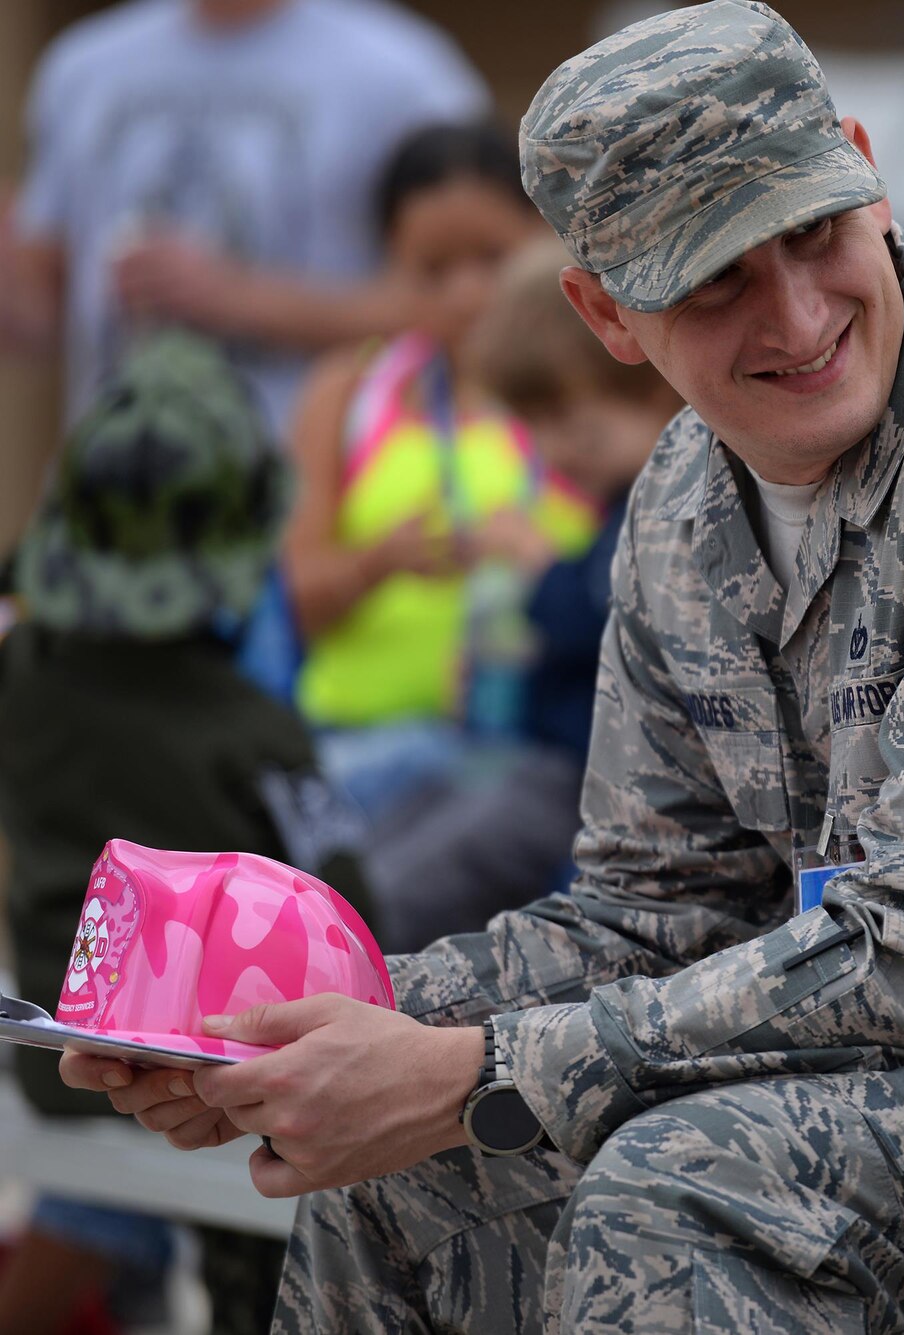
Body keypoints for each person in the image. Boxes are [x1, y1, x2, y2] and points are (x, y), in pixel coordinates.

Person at [60, 5, 904, 1332]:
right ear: (603, 313)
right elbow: (650, 912)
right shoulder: (683, 494)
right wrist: (333, 1027)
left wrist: (471, 1066)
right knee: (395, 1165)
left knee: (679, 1184)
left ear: (865, 168)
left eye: (813, 232)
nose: (797, 315)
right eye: (713, 276)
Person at [0, 331, 374, 1335]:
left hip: (63, 1046)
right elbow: (353, 915)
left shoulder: (23, 670)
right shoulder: (253, 733)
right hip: (215, 1079)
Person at [361, 238, 686, 952]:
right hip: (535, 762)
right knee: (392, 826)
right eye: (534, 428)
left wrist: (539, 573)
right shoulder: (614, 506)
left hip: (587, 787)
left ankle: (334, 957)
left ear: (659, 384)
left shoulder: (664, 506)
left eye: (575, 424)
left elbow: (610, 608)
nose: (555, 450)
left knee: (412, 879)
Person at [282, 122, 595, 821]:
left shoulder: (597, 386)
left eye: (493, 258)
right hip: (354, 759)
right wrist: (377, 563)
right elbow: (288, 599)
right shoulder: (347, 393)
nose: (466, 294)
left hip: (544, 762)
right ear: (389, 266)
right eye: (432, 270)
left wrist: (544, 566)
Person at [3, 0, 487, 430]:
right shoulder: (80, 67)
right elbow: (42, 310)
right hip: (113, 498)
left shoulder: (403, 73)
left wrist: (236, 297)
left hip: (312, 503)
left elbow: (467, 306)